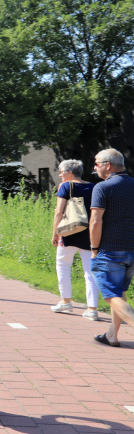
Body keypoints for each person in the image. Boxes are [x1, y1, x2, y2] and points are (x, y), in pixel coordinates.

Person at [89, 149, 134, 348]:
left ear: (108, 165)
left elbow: (95, 220)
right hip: (131, 250)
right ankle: (112, 335)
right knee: (120, 291)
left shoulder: (103, 187)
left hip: (110, 249)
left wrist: (94, 248)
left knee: (111, 295)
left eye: (97, 163)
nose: (94, 167)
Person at [50, 159, 99, 319]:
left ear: (70, 173)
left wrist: (55, 233)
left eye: (62, 172)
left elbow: (59, 211)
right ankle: (92, 310)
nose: (60, 175)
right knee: (90, 272)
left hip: (69, 232)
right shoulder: (93, 187)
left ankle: (66, 302)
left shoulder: (66, 186)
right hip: (89, 234)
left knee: (63, 266)